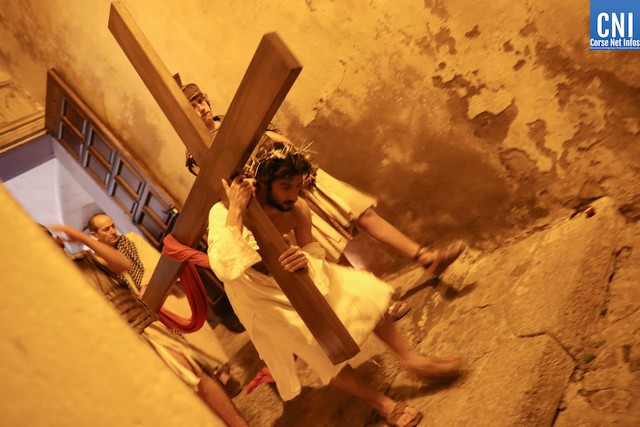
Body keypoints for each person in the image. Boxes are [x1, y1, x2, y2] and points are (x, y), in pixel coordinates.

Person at [206, 141, 464, 426]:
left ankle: (412, 361)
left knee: (365, 291)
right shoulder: (223, 210)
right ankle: (382, 403)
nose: (293, 194)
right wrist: (236, 211)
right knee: (319, 348)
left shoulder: (298, 209)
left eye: (297, 186)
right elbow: (222, 265)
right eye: (285, 186)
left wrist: (302, 258)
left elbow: (313, 252)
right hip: (258, 296)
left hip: (297, 275)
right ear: (264, 184)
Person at [178, 78, 466, 321]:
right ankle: (380, 304)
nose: (201, 107)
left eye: (201, 100)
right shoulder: (199, 155)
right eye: (193, 106)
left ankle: (426, 258)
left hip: (304, 176)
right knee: (329, 250)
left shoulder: (232, 120)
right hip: (280, 200)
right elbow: (230, 189)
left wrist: (298, 161)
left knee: (364, 214)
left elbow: (275, 137)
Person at [42, 224, 248, 427]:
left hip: (144, 326)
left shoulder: (86, 259)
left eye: (46, 238)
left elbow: (123, 264)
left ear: (57, 240)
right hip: (114, 347)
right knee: (173, 398)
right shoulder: (51, 289)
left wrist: (82, 237)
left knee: (192, 373)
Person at [86, 213, 242, 396]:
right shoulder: (98, 263)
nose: (113, 231)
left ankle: (224, 376)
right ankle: (209, 388)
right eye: (106, 229)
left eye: (113, 226)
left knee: (196, 337)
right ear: (94, 235)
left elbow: (152, 263)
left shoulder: (131, 240)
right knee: (179, 352)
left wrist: (146, 287)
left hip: (164, 297)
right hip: (143, 316)